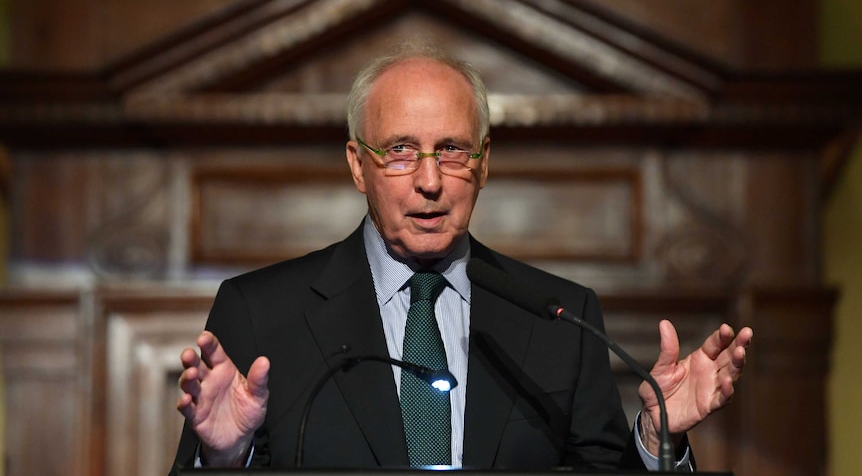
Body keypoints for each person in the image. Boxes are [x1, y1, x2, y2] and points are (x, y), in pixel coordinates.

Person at [171, 43, 753, 473]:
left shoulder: (561, 319)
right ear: (356, 165)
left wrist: (656, 440)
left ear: (484, 162)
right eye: (400, 151)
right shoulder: (258, 313)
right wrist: (223, 458)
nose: (429, 180)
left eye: (451, 150)